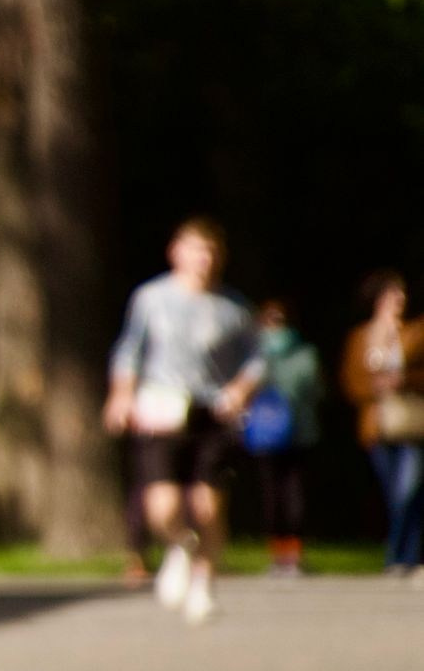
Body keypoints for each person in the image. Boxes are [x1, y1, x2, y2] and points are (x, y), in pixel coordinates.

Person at [103, 217, 264, 625]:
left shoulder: (233, 308)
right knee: (163, 506)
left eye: (210, 251)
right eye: (195, 249)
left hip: (213, 412)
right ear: (175, 252)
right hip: (162, 409)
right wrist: (121, 395)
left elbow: (257, 360)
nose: (202, 259)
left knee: (208, 506)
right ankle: (179, 545)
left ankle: (203, 586)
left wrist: (240, 390)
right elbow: (129, 350)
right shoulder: (151, 298)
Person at [341, 271, 424, 578]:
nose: (399, 299)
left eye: (401, 294)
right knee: (393, 492)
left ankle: (401, 556)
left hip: (411, 423)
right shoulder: (361, 336)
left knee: (409, 489)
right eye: (392, 294)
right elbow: (350, 380)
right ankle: (404, 555)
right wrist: (374, 386)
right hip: (376, 423)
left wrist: (405, 380)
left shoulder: (416, 331)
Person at [241, 299, 323, 576]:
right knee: (271, 495)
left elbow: (314, 389)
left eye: (280, 320)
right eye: (270, 320)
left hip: (299, 433)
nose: (275, 327)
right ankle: (277, 553)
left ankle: (295, 553)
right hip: (264, 434)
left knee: (295, 493)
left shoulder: (305, 354)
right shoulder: (253, 355)